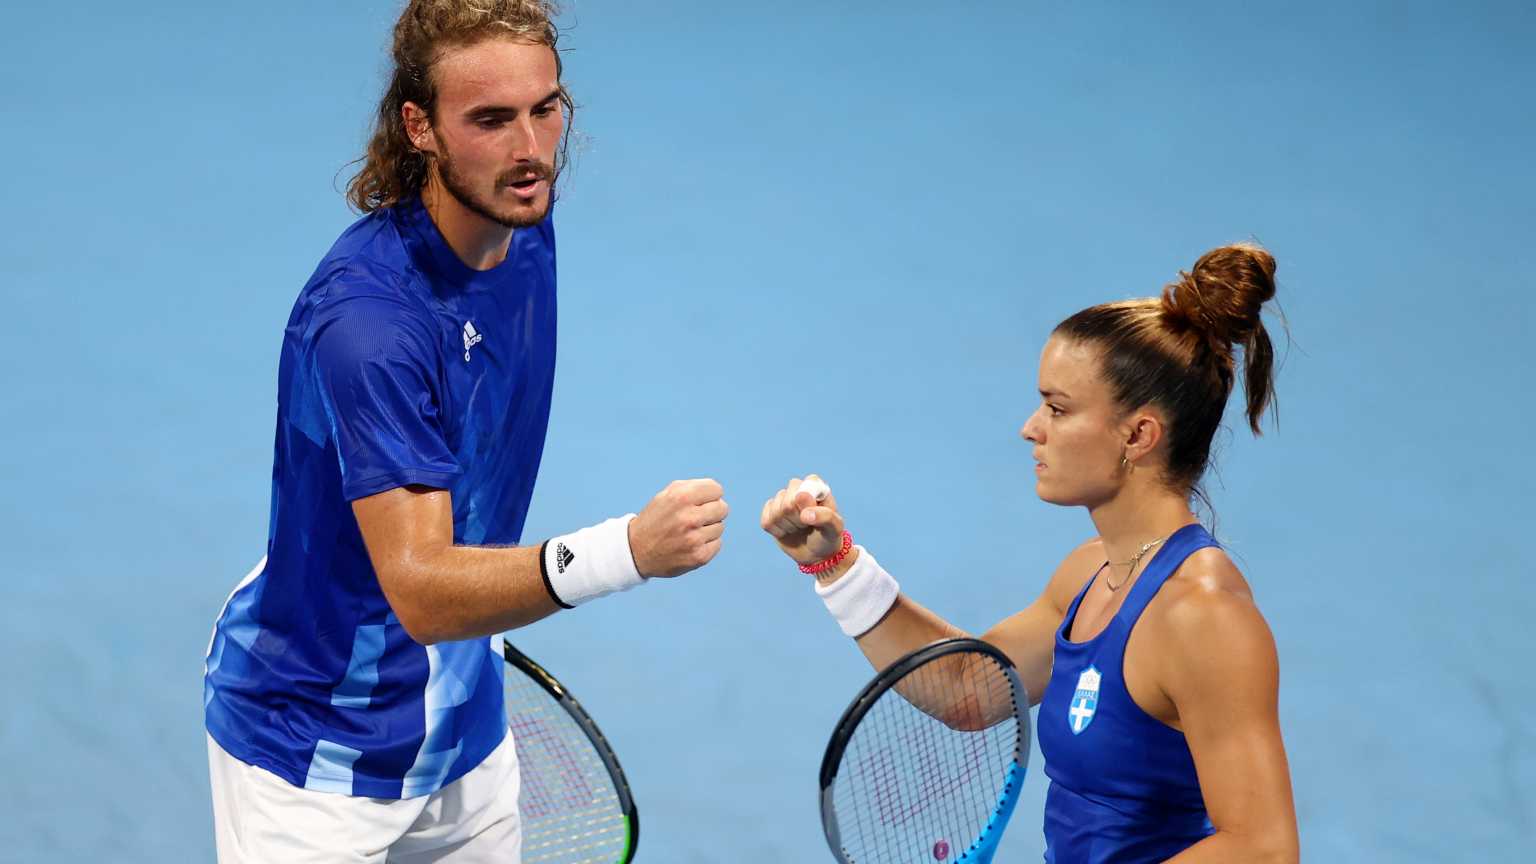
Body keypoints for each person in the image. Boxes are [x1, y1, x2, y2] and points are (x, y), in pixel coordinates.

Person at [202, 2, 728, 861]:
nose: (530, 148)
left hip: (466, 736)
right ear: (421, 127)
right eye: (490, 119)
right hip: (314, 762)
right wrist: (626, 551)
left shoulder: (523, 222)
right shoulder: (369, 325)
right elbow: (421, 591)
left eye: (545, 109)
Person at [762, 244, 1299, 862]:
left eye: (1057, 408)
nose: (1031, 428)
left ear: (1138, 435)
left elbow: (1263, 850)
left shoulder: (1204, 617)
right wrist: (837, 566)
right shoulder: (1090, 574)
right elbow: (969, 689)